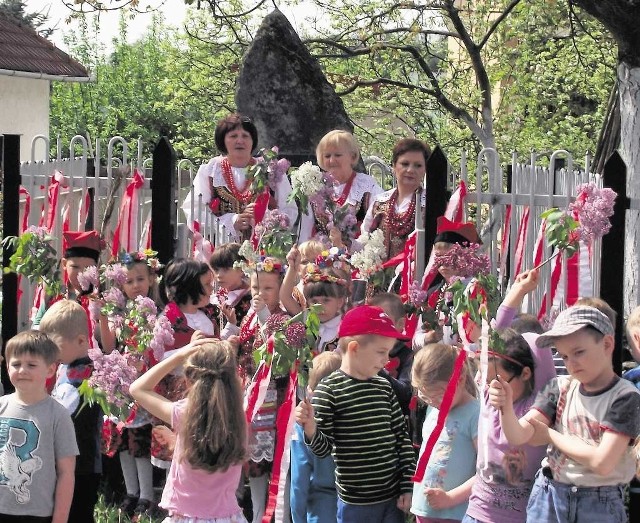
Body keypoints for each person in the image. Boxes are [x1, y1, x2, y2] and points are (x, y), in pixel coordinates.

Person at [489, 305, 640, 523]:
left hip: (598, 502)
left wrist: (551, 436)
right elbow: (519, 435)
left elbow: (602, 462)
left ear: (607, 344)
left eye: (578, 352)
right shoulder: (559, 387)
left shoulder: (625, 396)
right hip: (549, 496)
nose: (571, 363)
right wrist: (505, 407)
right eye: (565, 356)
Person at [295, 305, 415, 523]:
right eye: (381, 352)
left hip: (392, 498)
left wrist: (407, 484)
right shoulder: (329, 390)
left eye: (388, 352)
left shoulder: (384, 386)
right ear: (354, 348)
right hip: (356, 504)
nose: (386, 360)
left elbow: (401, 438)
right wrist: (311, 427)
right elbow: (323, 450)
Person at [129, 340, 247, 522]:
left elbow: (137, 388)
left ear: (188, 380)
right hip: (228, 516)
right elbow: (211, 445)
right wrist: (177, 441)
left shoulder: (184, 413)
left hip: (187, 516)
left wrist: (179, 355)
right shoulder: (239, 418)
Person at [97, 252, 163, 519]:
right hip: (121, 385)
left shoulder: (154, 313)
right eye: (129, 280)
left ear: (151, 280)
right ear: (120, 285)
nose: (135, 285)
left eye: (140, 279)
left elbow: (155, 349)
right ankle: (131, 492)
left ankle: (147, 495)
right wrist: (102, 316)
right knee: (122, 441)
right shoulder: (118, 314)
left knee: (140, 443)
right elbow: (109, 346)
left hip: (143, 383)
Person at [0, 331, 78, 523]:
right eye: (16, 364)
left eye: (31, 365)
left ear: (50, 370)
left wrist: (60, 518)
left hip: (38, 513)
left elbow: (66, 472)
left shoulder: (58, 415)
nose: (22, 370)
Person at [181, 112, 296, 242]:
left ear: (253, 141)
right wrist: (231, 221)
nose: (240, 141)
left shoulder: (270, 169)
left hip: (263, 250)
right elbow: (194, 211)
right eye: (233, 136)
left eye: (245, 136)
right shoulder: (210, 170)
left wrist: (264, 218)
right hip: (220, 250)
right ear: (223, 140)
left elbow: (289, 210)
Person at [40, 300, 103, 523]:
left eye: (54, 346)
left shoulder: (89, 374)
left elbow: (67, 415)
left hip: (82, 464)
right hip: (66, 461)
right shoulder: (66, 365)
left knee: (78, 512)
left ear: (80, 341)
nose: (50, 353)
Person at [152, 258, 220, 467]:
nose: (211, 289)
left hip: (208, 390)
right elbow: (156, 357)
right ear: (190, 287)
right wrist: (186, 350)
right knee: (179, 449)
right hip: (180, 391)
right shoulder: (168, 319)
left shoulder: (209, 314)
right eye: (207, 285)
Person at [410, 343, 479, 522]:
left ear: (461, 378)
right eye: (425, 396)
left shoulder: (475, 414)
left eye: (439, 395)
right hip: (423, 511)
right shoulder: (434, 409)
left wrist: (450, 498)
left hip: (454, 514)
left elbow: (486, 472)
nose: (433, 402)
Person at [299, 130, 383, 244]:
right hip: (320, 257)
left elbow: (380, 221)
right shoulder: (316, 187)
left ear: (352, 157)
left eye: (337, 155)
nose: (332, 160)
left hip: (357, 257)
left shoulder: (366, 186)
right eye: (327, 156)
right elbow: (305, 230)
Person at [290, 351, 342, 523]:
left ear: (311, 390)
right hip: (355, 505)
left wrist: (298, 519)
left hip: (321, 510)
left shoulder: (303, 424)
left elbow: (299, 482)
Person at [361, 138, 430, 261]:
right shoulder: (380, 202)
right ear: (394, 166)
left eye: (418, 165)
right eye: (405, 164)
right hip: (378, 275)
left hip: (416, 276)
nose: (410, 170)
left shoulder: (431, 204)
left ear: (425, 169)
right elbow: (364, 239)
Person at [282, 246, 349, 352]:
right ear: (308, 303)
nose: (320, 306)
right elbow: (285, 297)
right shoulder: (306, 321)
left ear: (340, 302)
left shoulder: (346, 328)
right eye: (314, 302)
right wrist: (292, 268)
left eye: (326, 300)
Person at [32, 230, 103, 330]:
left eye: (87, 268)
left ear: (96, 267)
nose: (81, 273)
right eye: (75, 267)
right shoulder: (55, 293)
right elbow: (37, 326)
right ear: (64, 264)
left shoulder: (101, 296)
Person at [368, 292, 413, 415]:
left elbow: (406, 393)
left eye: (383, 319)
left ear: (400, 324)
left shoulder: (408, 356)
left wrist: (378, 370)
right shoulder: (364, 351)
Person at [280, 240, 325, 313]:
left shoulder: (332, 287)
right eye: (305, 262)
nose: (310, 265)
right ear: (298, 268)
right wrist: (292, 267)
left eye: (315, 261)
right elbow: (285, 297)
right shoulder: (296, 291)